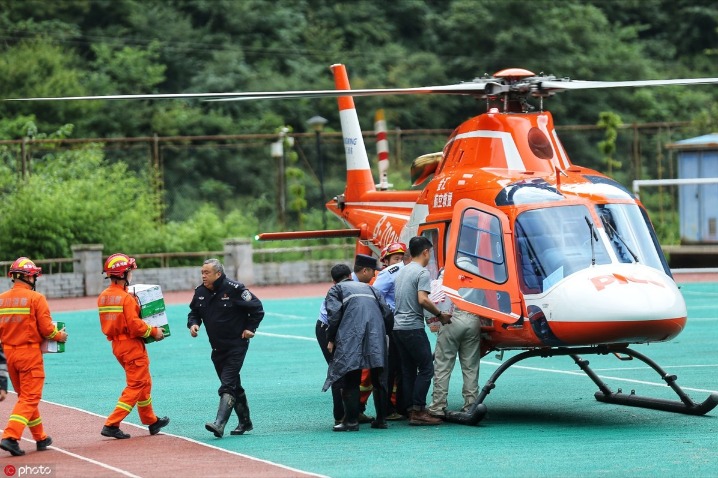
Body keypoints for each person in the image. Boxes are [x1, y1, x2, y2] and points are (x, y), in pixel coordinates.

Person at [188, 258, 265, 438]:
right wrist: (193, 324)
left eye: (207, 273)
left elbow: (257, 309)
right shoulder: (200, 292)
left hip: (236, 345)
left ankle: (219, 424)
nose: (203, 276)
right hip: (217, 348)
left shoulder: (235, 289)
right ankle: (245, 422)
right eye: (202, 272)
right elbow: (194, 312)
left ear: (218, 274)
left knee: (227, 385)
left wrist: (250, 328)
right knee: (234, 385)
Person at [0, 257, 68, 456]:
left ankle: (40, 437)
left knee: (25, 397)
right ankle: (10, 436)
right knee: (30, 397)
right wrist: (60, 336)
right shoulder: (36, 299)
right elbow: (47, 330)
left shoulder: (1, 299)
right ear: (29, 277)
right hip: (29, 354)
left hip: (8, 354)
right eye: (34, 275)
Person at [98, 253, 169, 440]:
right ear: (122, 274)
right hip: (131, 345)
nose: (131, 274)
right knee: (136, 384)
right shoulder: (126, 299)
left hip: (117, 345)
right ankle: (111, 424)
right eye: (129, 271)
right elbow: (136, 325)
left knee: (144, 381)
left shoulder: (104, 297)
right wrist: (155, 332)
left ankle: (151, 421)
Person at [323, 257, 393, 432]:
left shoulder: (336, 290)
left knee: (351, 378)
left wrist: (331, 339)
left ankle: (351, 422)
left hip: (351, 337)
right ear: (350, 275)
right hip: (376, 336)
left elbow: (334, 316)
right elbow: (387, 313)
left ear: (334, 280)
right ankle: (382, 420)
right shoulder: (370, 288)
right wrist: (387, 333)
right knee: (379, 378)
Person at [392, 236, 451, 426]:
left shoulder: (403, 271)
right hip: (412, 327)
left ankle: (409, 408)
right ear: (426, 252)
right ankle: (419, 410)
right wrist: (440, 314)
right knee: (426, 368)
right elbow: (423, 300)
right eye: (430, 252)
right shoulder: (422, 273)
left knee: (408, 370)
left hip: (398, 327)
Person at [426, 269, 481, 418]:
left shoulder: (448, 269)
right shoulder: (479, 270)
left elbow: (437, 294)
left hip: (452, 318)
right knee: (471, 367)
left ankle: (438, 405)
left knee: (443, 365)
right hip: (473, 318)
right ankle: (471, 404)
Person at [372, 242, 408, 420]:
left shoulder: (407, 270)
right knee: (392, 367)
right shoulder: (388, 273)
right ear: (386, 260)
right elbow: (375, 297)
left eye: (402, 258)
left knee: (403, 367)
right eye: (396, 258)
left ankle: (401, 406)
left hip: (404, 324)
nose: (399, 261)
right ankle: (386, 408)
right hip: (392, 325)